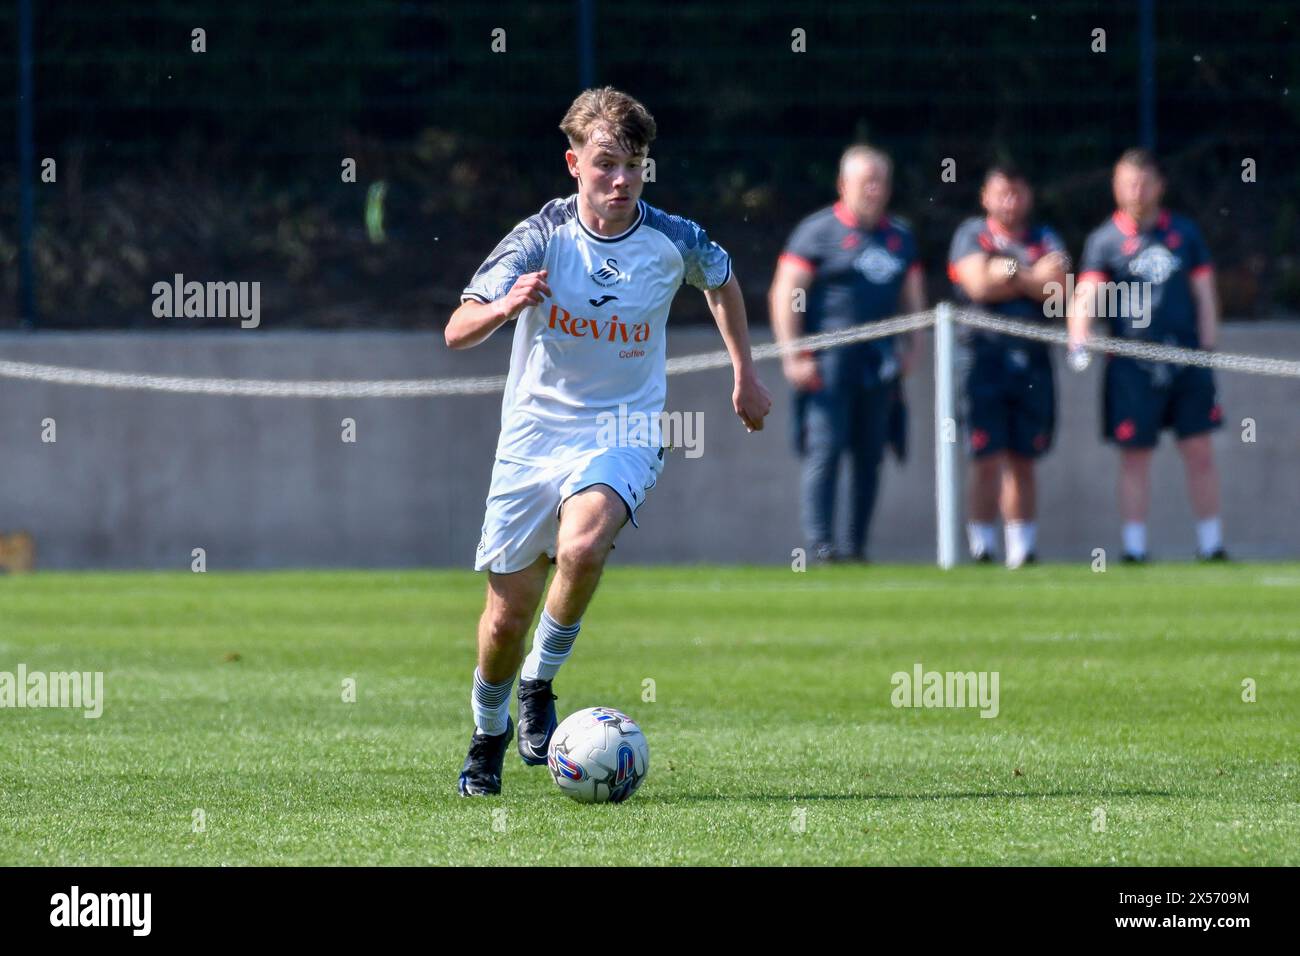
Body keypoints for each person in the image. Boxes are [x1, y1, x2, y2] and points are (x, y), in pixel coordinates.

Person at [445, 87, 771, 796]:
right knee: (504, 618)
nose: (621, 180)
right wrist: (503, 306)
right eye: (605, 165)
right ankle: (487, 732)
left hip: (622, 429)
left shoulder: (673, 238)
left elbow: (721, 280)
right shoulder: (539, 238)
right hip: (533, 437)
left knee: (585, 542)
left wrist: (744, 373)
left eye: (633, 165)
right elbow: (456, 330)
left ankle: (541, 682)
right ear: (573, 164)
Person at [769, 145, 925, 563]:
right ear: (843, 185)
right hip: (828, 360)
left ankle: (857, 547)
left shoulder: (900, 237)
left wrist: (913, 347)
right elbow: (786, 291)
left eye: (880, 182)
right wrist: (793, 353)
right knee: (826, 448)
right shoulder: (817, 232)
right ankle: (820, 545)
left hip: (879, 361)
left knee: (871, 454)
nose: (873, 190)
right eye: (865, 182)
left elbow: (913, 299)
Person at [1069, 149, 1225, 562]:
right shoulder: (1104, 240)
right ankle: (1134, 548)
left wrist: (1207, 350)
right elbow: (1085, 295)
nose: (1137, 192)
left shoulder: (1185, 234)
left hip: (1187, 359)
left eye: (1144, 182)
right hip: (1133, 365)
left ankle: (1211, 545)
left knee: (1199, 451)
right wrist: (1079, 340)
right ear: (1116, 188)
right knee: (1135, 456)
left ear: (1159, 187)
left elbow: (1204, 294)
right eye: (1128, 183)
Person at [949, 165, 1069, 568]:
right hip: (983, 358)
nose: (1010, 201)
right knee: (986, 456)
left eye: (1017, 192)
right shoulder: (970, 235)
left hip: (1032, 357)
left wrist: (1010, 272)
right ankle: (982, 546)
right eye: (1002, 192)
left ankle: (1023, 548)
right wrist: (1030, 274)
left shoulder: (1045, 236)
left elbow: (1060, 290)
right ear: (985, 196)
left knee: (1024, 457)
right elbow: (978, 285)